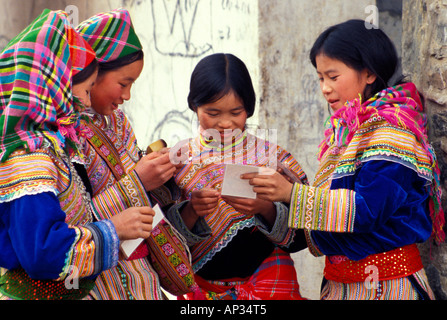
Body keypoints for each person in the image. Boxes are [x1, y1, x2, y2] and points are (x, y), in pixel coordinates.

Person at [244, 19, 445, 300]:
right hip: (339, 289)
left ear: (369, 73)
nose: (325, 88)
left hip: (387, 289)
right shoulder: (342, 135)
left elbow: (367, 211)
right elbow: (322, 226)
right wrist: (267, 204)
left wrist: (294, 193)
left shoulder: (392, 131)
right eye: (320, 78)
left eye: (333, 76)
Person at [0, 9, 154, 300]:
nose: (83, 104)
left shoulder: (50, 147)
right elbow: (42, 252)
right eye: (83, 91)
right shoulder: (28, 158)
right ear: (55, 89)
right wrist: (113, 229)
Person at [165, 53, 309, 300]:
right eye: (212, 112)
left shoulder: (272, 158)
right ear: (194, 106)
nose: (225, 123)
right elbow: (162, 240)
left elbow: (304, 230)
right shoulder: (178, 162)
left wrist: (265, 207)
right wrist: (192, 210)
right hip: (204, 291)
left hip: (270, 284)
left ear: (249, 109)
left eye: (235, 112)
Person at [76, 9, 182, 300]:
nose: (127, 96)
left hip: (139, 277)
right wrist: (138, 181)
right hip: (94, 282)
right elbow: (70, 223)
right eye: (124, 83)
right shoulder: (64, 132)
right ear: (92, 73)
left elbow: (136, 185)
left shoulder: (118, 122)